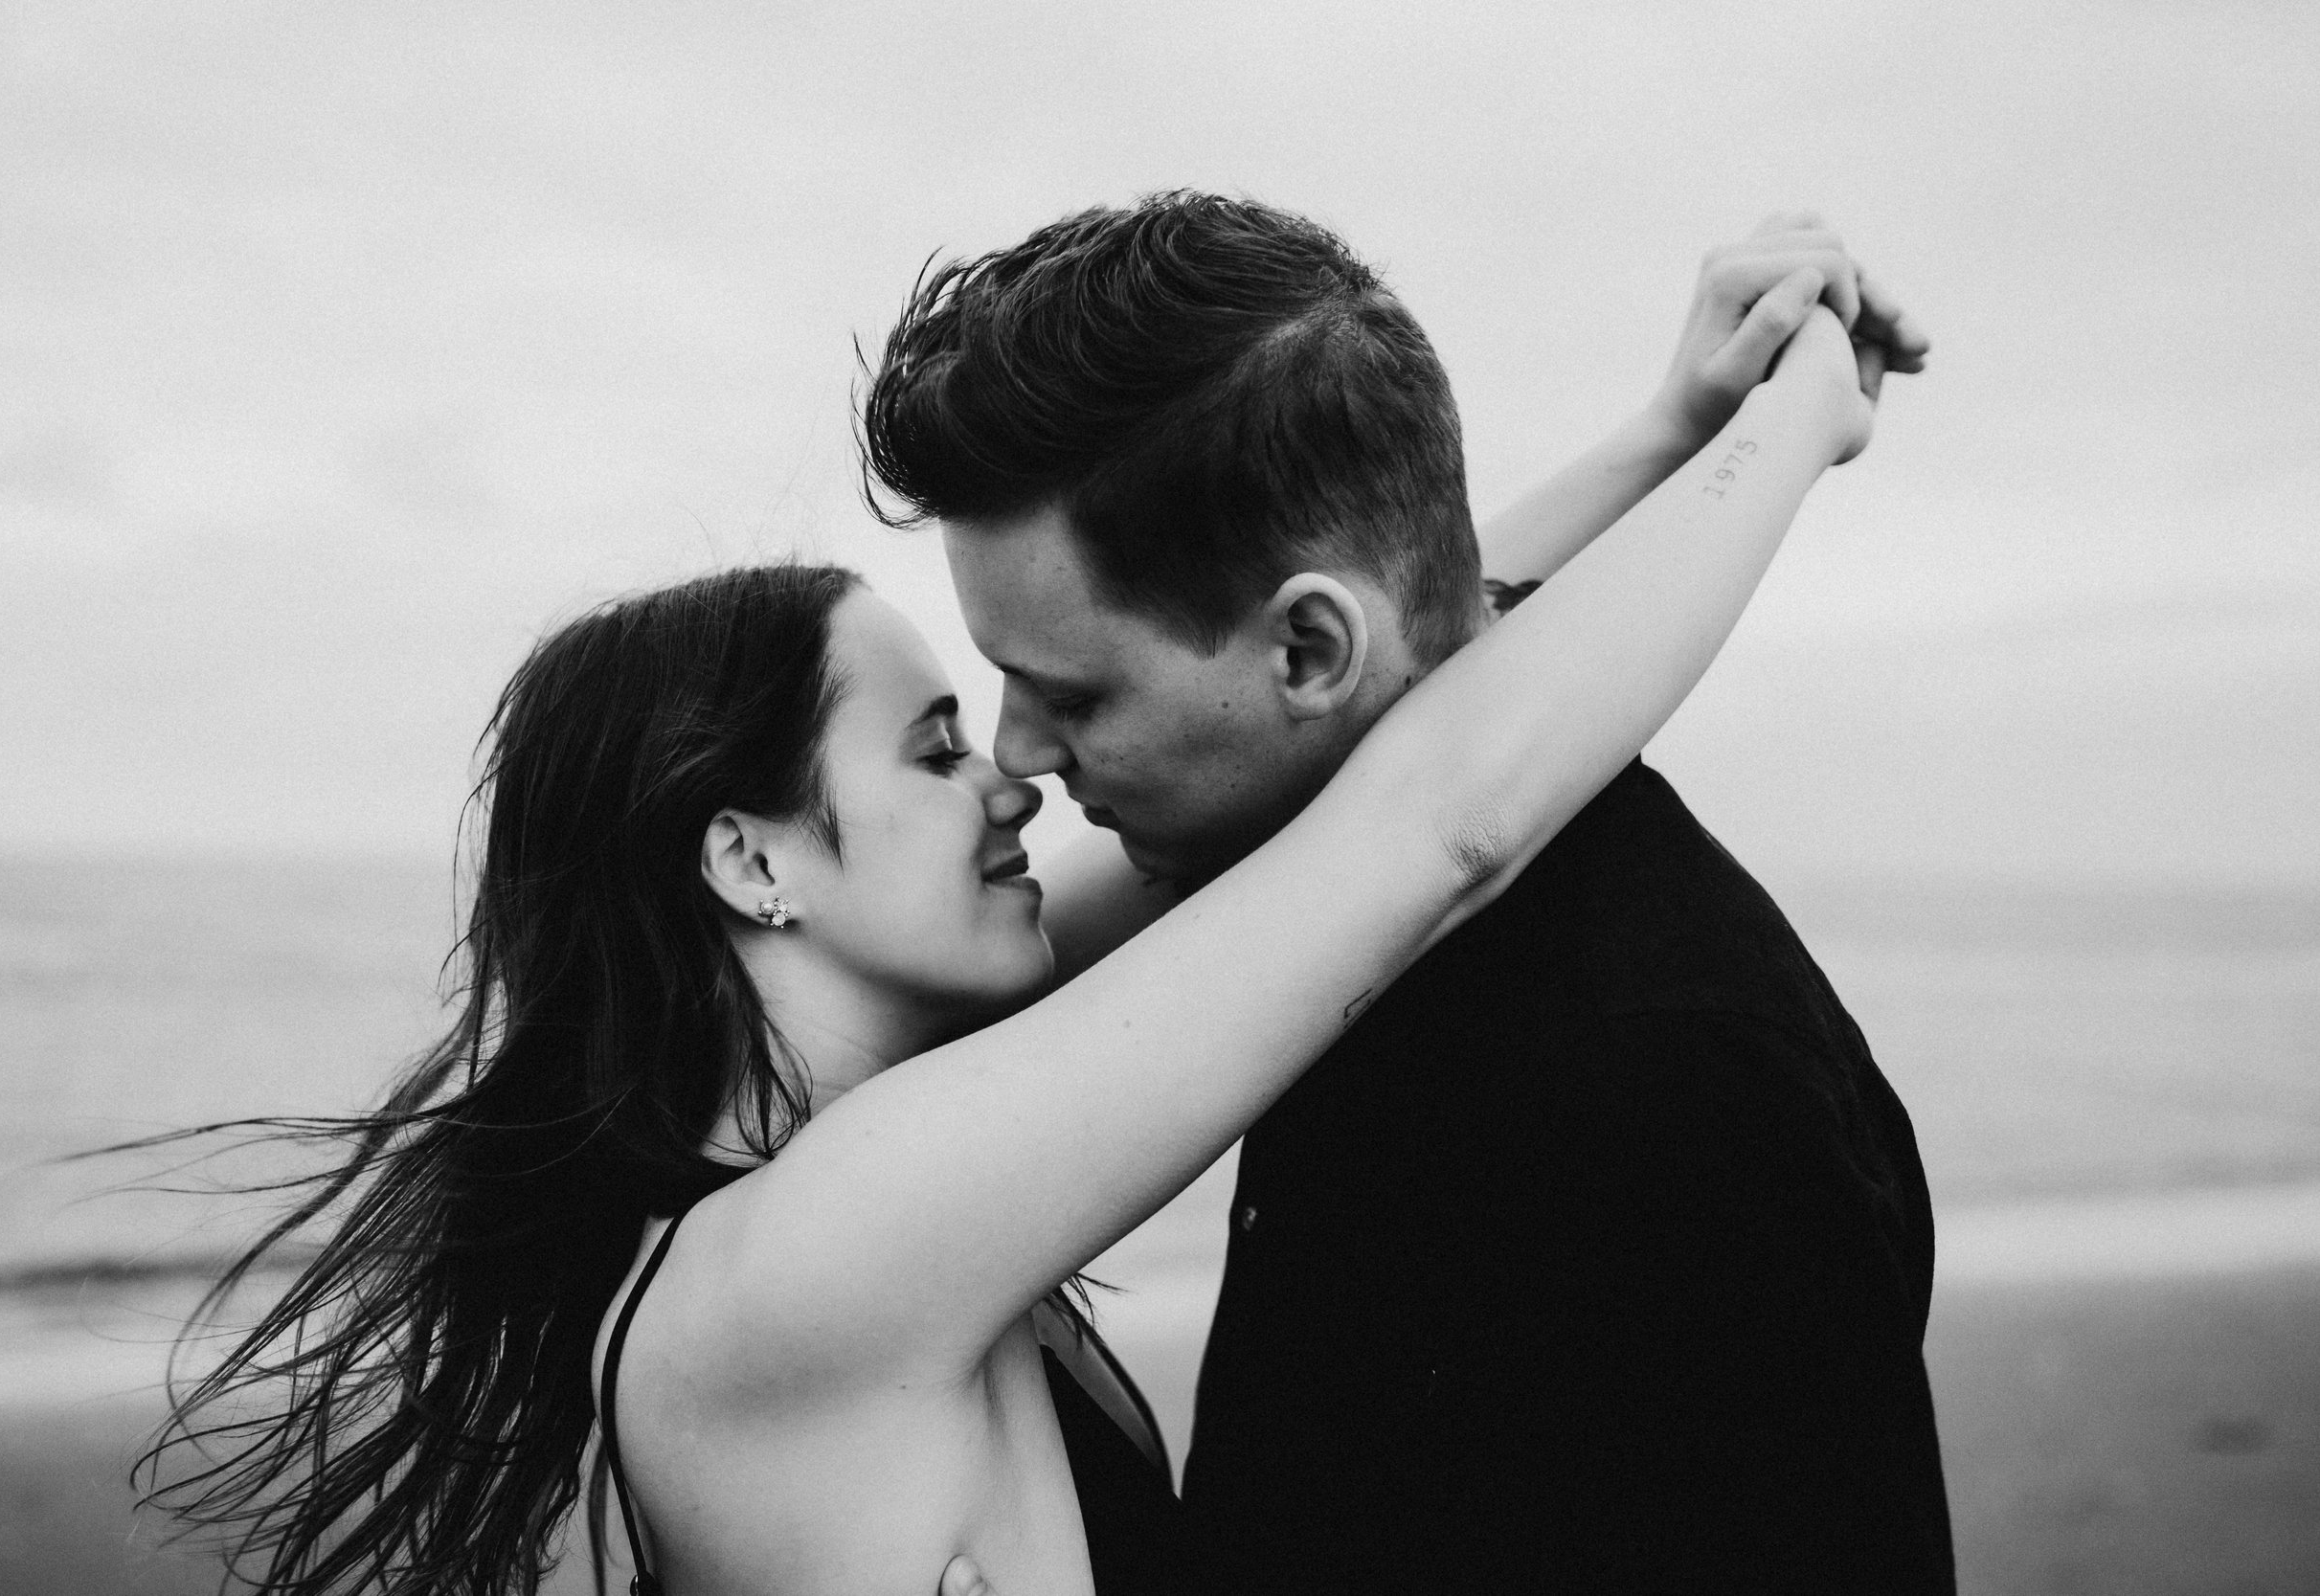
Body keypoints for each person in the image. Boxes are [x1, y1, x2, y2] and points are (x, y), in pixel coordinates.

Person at [144, 217, 1871, 1596]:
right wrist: (1799, 418)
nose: (1021, 777)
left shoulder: (880, 1160)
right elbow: (1428, 821)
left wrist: (1664, 436)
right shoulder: (814, 1260)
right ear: (750, 863)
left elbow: (1361, 706)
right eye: (935, 744)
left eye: (1023, 709)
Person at [863, 192, 1949, 1593]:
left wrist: (1755, 430)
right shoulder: (1298, 894)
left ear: (1310, 651)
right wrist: (1688, 430)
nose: (1016, 758)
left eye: (1071, 694)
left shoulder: (1658, 1083)